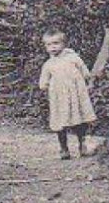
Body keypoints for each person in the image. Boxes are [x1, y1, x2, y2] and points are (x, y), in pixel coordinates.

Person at [38, 28, 97, 159]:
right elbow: (43, 82)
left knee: (79, 121)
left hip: (75, 95)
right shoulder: (48, 64)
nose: (52, 47)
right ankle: (64, 148)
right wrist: (45, 86)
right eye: (49, 45)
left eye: (56, 43)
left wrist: (88, 82)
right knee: (60, 122)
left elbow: (85, 73)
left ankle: (82, 145)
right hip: (59, 97)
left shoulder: (73, 58)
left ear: (64, 44)